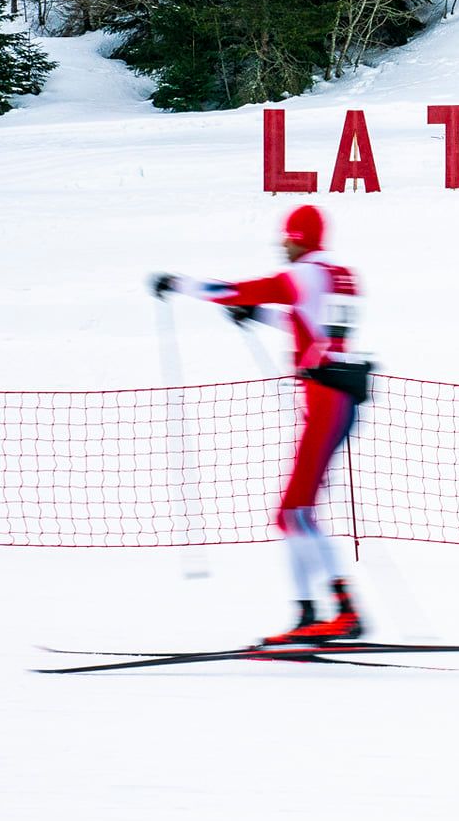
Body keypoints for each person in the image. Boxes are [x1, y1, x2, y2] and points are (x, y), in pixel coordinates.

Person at [149, 205, 371, 644]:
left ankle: (340, 612)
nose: (281, 244)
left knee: (294, 512)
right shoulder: (339, 275)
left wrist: (178, 284)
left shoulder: (304, 274)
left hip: (326, 400)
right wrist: (257, 316)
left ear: (300, 238)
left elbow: (232, 290)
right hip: (340, 397)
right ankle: (312, 613)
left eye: (286, 238)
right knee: (294, 514)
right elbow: (306, 323)